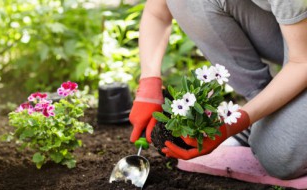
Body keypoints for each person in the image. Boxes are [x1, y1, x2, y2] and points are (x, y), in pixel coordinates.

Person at [129, 0, 307, 180]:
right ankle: (263, 113)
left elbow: (302, 62)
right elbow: (158, 11)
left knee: (280, 157)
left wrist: (234, 125)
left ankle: (267, 122)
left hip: (302, 54)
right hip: (295, 32)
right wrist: (149, 84)